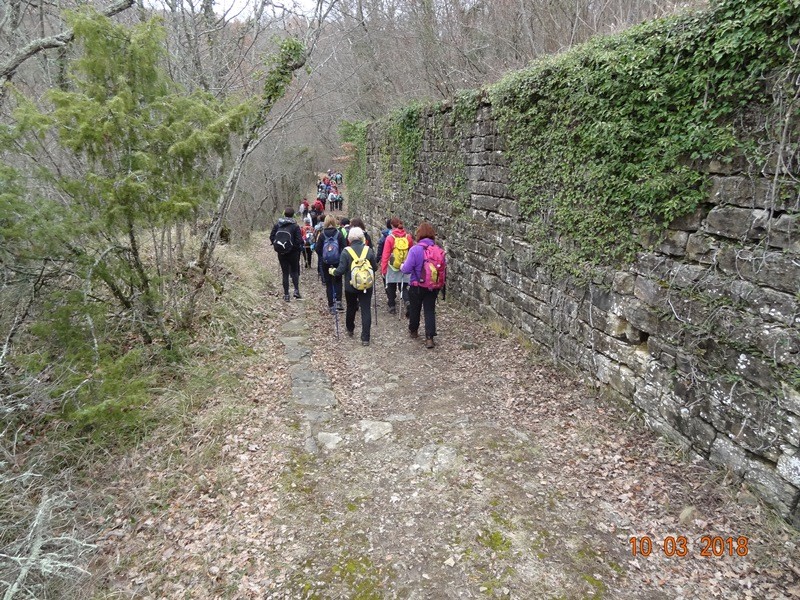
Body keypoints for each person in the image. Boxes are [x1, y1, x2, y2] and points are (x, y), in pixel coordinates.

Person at [329, 227, 377, 346]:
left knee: (351, 306)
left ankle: (350, 328)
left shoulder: (346, 251)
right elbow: (375, 268)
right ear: (362, 238)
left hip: (350, 286)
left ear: (349, 239)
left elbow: (340, 270)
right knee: (366, 309)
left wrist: (332, 271)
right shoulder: (368, 250)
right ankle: (365, 337)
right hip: (366, 285)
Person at [401, 222, 446, 349]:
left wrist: (401, 266)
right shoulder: (438, 250)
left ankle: (414, 331)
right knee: (430, 310)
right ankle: (430, 338)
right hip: (433, 286)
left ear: (418, 235)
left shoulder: (415, 250)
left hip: (417, 285)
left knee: (415, 309)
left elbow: (407, 270)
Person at [380, 217, 413, 315]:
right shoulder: (408, 237)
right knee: (404, 285)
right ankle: (407, 302)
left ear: (391, 226)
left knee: (391, 284)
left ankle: (392, 305)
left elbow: (385, 254)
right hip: (405, 264)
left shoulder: (390, 238)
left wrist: (384, 269)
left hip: (392, 265)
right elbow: (411, 251)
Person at [269, 207, 303, 301]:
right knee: (294, 271)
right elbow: (299, 240)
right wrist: (294, 248)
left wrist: (277, 246)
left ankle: (286, 295)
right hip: (293, 253)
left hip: (281, 252)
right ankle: (296, 291)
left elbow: (271, 236)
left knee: (285, 273)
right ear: (293, 215)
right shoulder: (295, 226)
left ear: (284, 214)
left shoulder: (277, 225)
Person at [316, 214, 346, 313]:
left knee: (329, 283)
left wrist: (323, 256)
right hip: (338, 261)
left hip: (326, 262)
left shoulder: (322, 234)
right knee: (338, 280)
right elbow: (344, 247)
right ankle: (338, 302)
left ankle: (331, 305)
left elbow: (318, 249)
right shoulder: (339, 234)